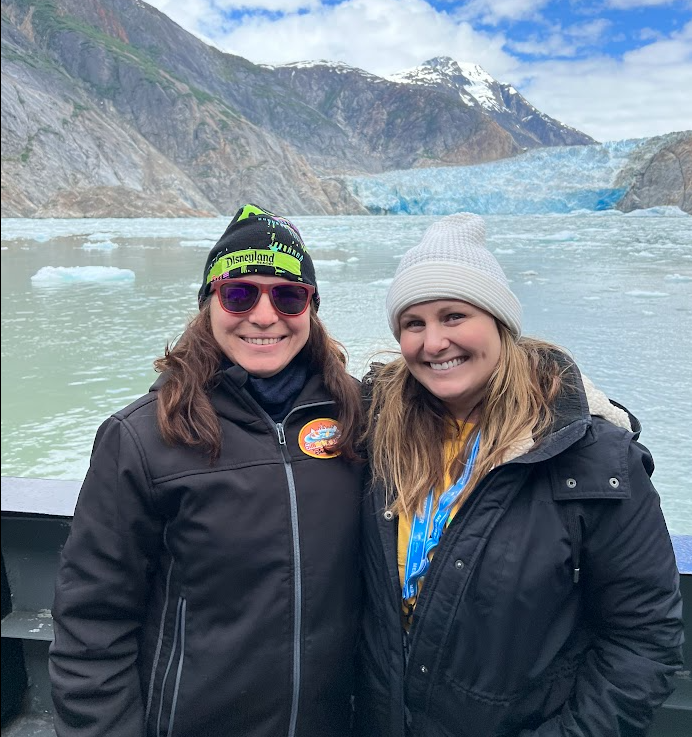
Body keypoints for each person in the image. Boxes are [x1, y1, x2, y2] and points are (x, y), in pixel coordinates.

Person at [355, 213, 684, 737]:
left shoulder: (594, 458)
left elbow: (641, 640)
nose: (434, 342)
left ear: (500, 323)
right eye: (413, 324)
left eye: (454, 315)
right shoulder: (375, 428)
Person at [49, 204, 364, 737]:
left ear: (311, 308)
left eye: (288, 296)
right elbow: (91, 624)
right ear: (208, 304)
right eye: (239, 293)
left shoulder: (358, 417)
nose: (264, 316)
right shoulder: (142, 437)